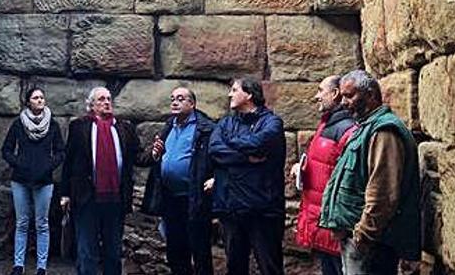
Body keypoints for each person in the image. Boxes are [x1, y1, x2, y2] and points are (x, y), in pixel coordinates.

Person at [319, 70, 420, 275]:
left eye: (350, 95)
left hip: (372, 244)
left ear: (371, 94)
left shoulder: (383, 132)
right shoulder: (365, 127)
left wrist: (362, 236)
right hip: (358, 238)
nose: (344, 102)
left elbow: (383, 192)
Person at [208, 77, 286, 275]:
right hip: (231, 208)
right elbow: (215, 150)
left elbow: (259, 144)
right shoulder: (226, 123)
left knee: (270, 266)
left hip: (262, 209)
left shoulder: (272, 122)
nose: (229, 94)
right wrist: (247, 158)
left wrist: (231, 143)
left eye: (234, 90)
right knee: (235, 267)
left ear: (249, 94)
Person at [60, 87, 141, 275]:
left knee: (113, 251)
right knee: (87, 251)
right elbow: (69, 162)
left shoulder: (124, 128)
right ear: (92, 105)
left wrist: (155, 153)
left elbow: (137, 157)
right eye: (101, 99)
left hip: (115, 199)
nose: (106, 102)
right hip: (87, 197)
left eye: (109, 99)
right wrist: (65, 193)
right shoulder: (79, 127)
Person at [140, 86, 216, 275]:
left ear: (192, 104)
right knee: (175, 251)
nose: (175, 102)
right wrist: (156, 155)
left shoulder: (205, 128)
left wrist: (214, 178)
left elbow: (216, 159)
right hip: (170, 199)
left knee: (199, 251)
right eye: (172, 98)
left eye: (180, 99)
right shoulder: (169, 126)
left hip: (194, 199)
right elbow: (153, 157)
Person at [292, 75, 356, 275]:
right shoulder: (327, 125)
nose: (316, 96)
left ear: (335, 93)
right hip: (322, 221)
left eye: (320, 90)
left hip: (334, 226)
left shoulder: (347, 130)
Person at [1, 87, 66, 275]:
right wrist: (19, 163)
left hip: (44, 180)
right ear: (28, 101)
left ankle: (41, 266)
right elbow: (6, 149)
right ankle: (18, 264)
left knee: (42, 223)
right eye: (35, 97)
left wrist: (49, 165)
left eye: (42, 97)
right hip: (20, 179)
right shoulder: (18, 124)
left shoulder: (52, 125)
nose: (39, 100)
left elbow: (61, 151)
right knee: (22, 222)